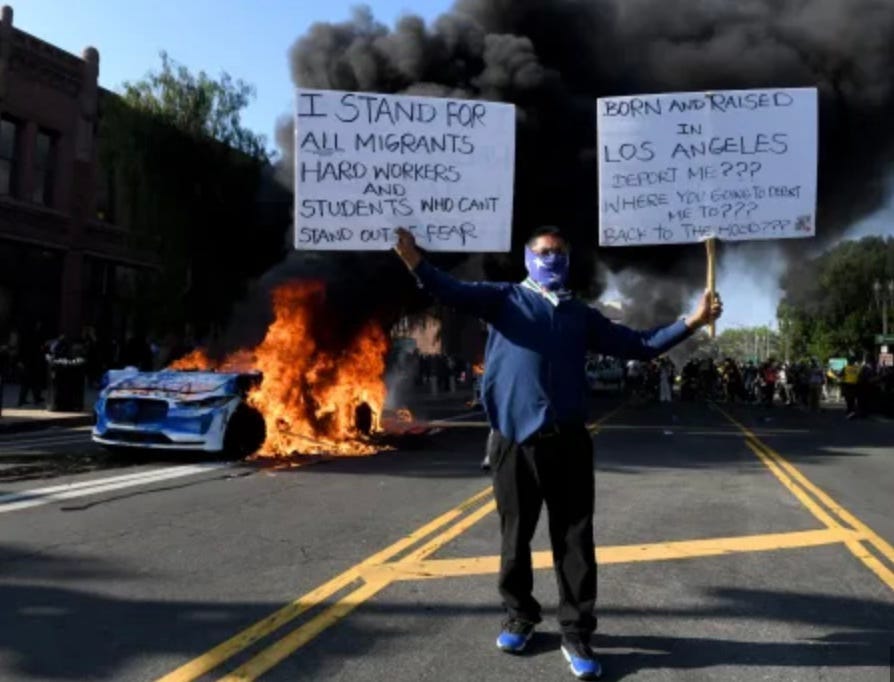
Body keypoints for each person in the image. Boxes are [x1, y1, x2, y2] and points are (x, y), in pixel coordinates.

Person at [393, 226, 723, 680]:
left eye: (559, 252)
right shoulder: (504, 299)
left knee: (574, 543)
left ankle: (576, 631)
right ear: (527, 258)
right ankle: (520, 615)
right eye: (543, 251)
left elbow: (639, 345)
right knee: (515, 539)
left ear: (568, 261)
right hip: (513, 441)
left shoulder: (580, 315)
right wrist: (415, 261)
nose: (551, 258)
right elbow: (450, 290)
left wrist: (693, 320)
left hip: (568, 442)